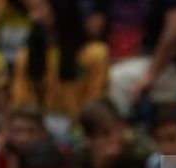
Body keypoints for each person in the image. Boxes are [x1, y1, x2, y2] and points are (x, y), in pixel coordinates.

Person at [10, 0, 110, 132]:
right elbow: (21, 103)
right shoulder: (25, 57)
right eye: (31, 11)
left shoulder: (95, 54)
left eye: (39, 9)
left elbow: (96, 103)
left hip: (82, 133)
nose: (33, 17)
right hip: (37, 134)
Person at [73, 97, 156, 168]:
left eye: (106, 133)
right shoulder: (82, 157)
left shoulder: (141, 152)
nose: (100, 142)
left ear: (122, 128)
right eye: (92, 137)